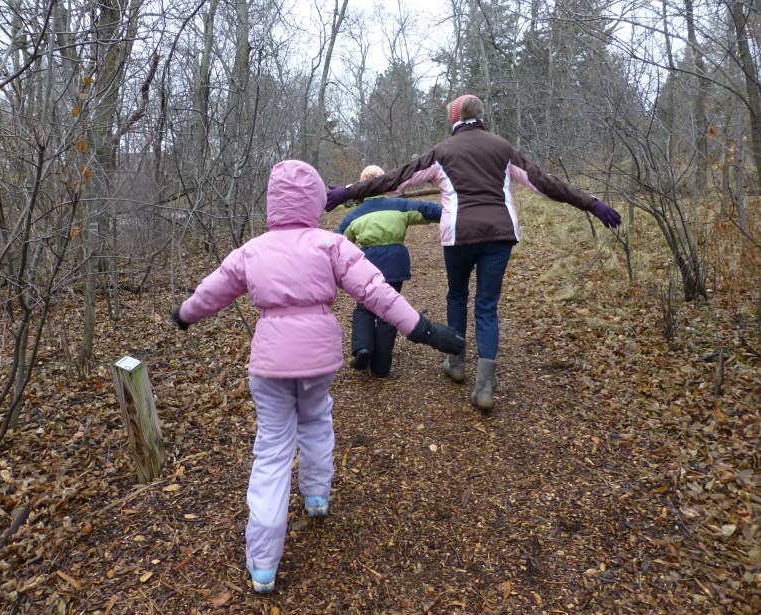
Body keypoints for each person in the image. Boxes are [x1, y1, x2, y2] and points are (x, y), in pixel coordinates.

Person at [171, 160, 464, 593]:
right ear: (314, 201)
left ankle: (264, 564)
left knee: (271, 451)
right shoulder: (330, 245)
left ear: (272, 202)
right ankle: (316, 497)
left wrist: (184, 314)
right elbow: (376, 292)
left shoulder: (252, 250)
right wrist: (421, 329)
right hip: (317, 361)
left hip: (270, 363)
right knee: (316, 421)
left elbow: (212, 290)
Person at [326, 94, 622, 411]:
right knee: (487, 305)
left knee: (457, 294)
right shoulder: (503, 148)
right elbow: (545, 183)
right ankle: (485, 387)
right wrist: (592, 203)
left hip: (459, 235)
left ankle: (456, 362)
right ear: (481, 116)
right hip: (500, 235)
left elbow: (394, 179)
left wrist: (348, 190)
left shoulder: (442, 152)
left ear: (453, 119)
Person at [335, 164, 443, 378]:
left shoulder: (354, 215)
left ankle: (363, 348)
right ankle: (381, 366)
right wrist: (453, 213)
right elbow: (433, 212)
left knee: (364, 308)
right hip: (395, 264)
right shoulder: (400, 206)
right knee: (388, 313)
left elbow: (338, 243)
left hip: (367, 266)